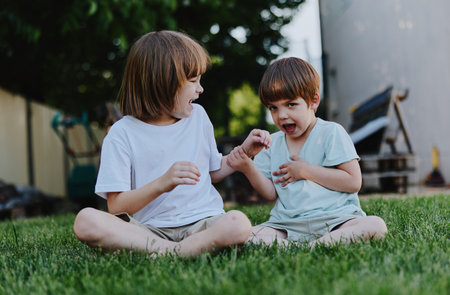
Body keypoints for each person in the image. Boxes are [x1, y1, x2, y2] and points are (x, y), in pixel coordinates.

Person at [73, 30, 271, 257]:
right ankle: (173, 250)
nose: (200, 89)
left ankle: (170, 252)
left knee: (238, 223)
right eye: (193, 81)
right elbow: (116, 206)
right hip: (150, 231)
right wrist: (163, 183)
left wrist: (244, 152)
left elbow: (213, 172)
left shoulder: (198, 117)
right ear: (163, 83)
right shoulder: (122, 133)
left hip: (204, 223)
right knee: (86, 220)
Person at [227, 57, 388, 247]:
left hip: (337, 220)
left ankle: (314, 245)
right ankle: (304, 244)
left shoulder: (331, 132)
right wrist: (248, 167)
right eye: (273, 108)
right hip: (287, 224)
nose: (282, 115)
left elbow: (353, 182)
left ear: (313, 101)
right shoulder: (271, 143)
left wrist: (305, 171)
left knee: (375, 225)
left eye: (291, 104)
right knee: (243, 236)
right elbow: (270, 194)